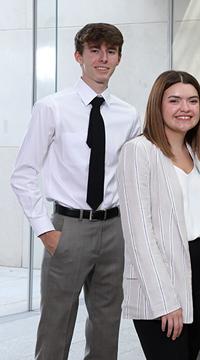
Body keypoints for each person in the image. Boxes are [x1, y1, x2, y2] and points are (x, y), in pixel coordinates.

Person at [10, 23, 139, 359]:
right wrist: (45, 231)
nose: (103, 58)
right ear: (78, 56)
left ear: (119, 59)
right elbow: (23, 174)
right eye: (94, 50)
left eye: (110, 51)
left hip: (114, 230)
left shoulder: (128, 115)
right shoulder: (52, 107)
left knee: (107, 327)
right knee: (56, 326)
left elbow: (132, 176)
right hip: (68, 228)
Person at [117, 70, 200, 359]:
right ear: (158, 105)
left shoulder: (198, 155)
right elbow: (139, 234)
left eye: (193, 101)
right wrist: (165, 301)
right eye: (175, 100)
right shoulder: (138, 151)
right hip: (162, 280)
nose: (185, 108)